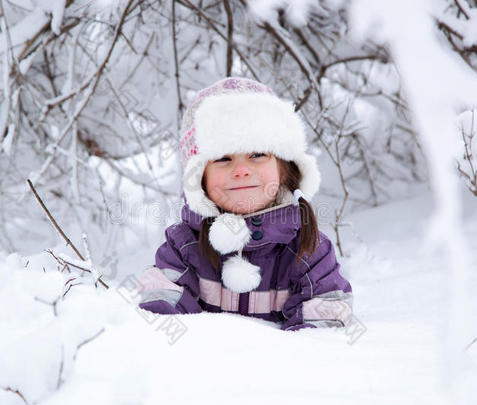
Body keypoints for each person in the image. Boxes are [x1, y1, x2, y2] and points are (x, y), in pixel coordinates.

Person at [134, 77, 353, 331]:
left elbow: (327, 324)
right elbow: (159, 311)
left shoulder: (308, 250)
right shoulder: (184, 246)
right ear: (199, 176)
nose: (241, 171)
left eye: (257, 154)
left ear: (283, 169)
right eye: (223, 158)